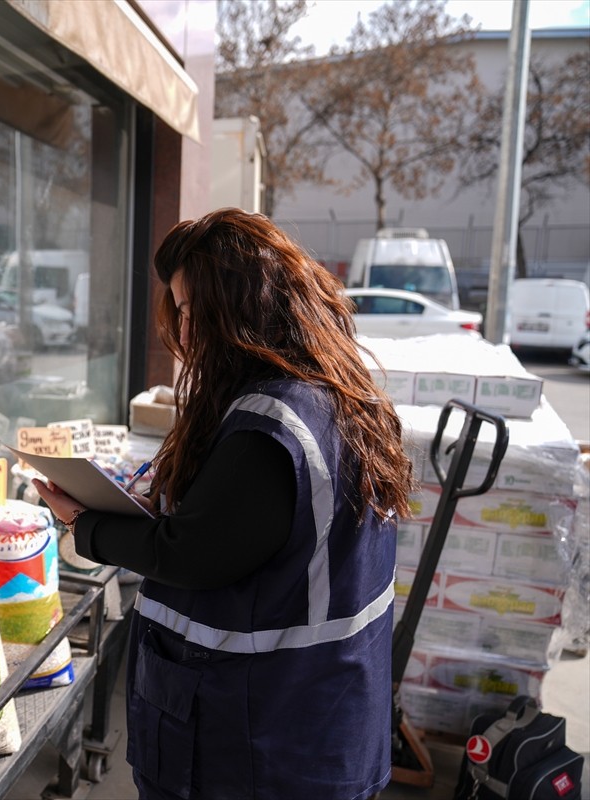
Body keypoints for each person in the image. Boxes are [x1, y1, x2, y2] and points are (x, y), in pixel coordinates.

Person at [33, 208, 413, 800]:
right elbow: (253, 533)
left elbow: (193, 556)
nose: (182, 334)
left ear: (241, 307)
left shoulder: (270, 426)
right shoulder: (341, 392)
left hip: (254, 744)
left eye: (190, 312)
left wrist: (83, 524)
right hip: (320, 718)